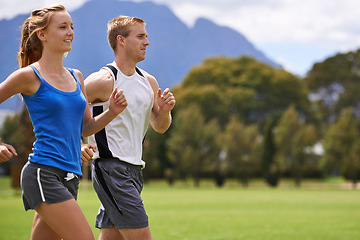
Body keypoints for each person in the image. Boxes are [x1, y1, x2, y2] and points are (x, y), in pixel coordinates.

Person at [0, 5, 127, 240]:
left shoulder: (76, 76)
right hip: (43, 173)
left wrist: (112, 112)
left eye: (71, 26)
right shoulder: (29, 75)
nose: (70, 32)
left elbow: (84, 128)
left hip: (70, 175)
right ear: (42, 34)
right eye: (62, 27)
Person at [84, 15, 176, 240]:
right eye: (141, 36)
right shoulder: (104, 79)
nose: (147, 42)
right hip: (111, 169)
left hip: (134, 171)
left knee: (112, 236)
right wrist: (79, 144)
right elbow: (67, 108)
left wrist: (164, 112)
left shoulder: (149, 81)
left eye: (146, 36)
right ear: (121, 40)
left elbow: (160, 127)